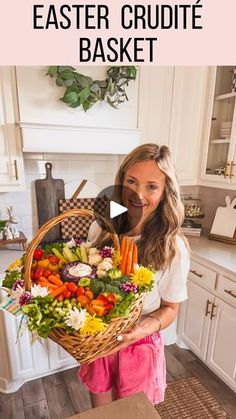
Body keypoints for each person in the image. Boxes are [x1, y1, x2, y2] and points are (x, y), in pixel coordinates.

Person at [78, 143, 190, 407]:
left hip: (139, 346)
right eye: (131, 181)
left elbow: (170, 309)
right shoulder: (100, 229)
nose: (137, 194)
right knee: (103, 414)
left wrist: (140, 329)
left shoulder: (172, 247)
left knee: (133, 414)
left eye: (152, 186)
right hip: (100, 342)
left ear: (165, 193)